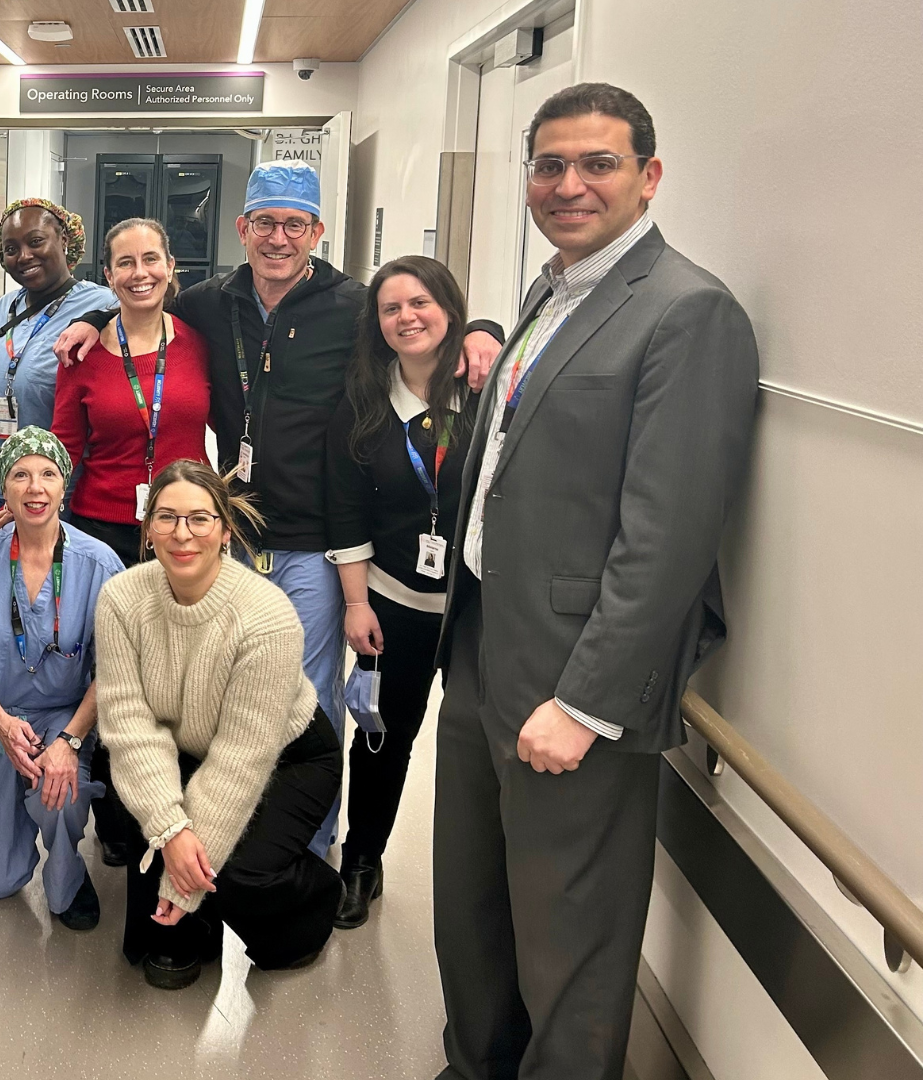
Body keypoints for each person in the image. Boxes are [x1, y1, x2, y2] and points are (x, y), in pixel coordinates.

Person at [432, 84, 758, 1080]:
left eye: (598, 164)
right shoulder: (552, 291)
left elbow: (666, 539)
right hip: (487, 638)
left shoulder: (687, 312)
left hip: (573, 675)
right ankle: (478, 1062)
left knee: (569, 930)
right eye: (549, 165)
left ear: (648, 177)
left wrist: (586, 701)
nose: (568, 185)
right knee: (472, 901)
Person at [55, 162, 505, 856]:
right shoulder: (212, 301)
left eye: (295, 224)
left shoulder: (354, 305)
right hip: (228, 539)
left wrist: (482, 328)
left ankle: (304, 844)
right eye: (264, 222)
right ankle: (215, 830)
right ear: (242, 229)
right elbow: (141, 303)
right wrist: (90, 322)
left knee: (309, 699)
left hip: (316, 545)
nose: (278, 237)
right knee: (215, 689)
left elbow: (421, 318)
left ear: (317, 231)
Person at [94, 459, 341, 990]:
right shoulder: (121, 599)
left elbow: (239, 759)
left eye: (199, 519)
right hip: (184, 743)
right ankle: (190, 926)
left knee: (231, 874)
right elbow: (130, 725)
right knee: (144, 822)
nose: (182, 534)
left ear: (224, 531)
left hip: (289, 755)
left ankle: (315, 896)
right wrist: (171, 829)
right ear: (148, 528)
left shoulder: (265, 615)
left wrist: (185, 879)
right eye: (166, 518)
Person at [324, 255, 498, 930]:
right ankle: (363, 860)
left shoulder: (488, 395)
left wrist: (489, 329)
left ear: (450, 309)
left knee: (477, 737)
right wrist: (357, 602)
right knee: (380, 739)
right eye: (392, 308)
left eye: (420, 302)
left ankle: (486, 874)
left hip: (477, 607)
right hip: (392, 603)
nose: (407, 318)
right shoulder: (364, 408)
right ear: (378, 325)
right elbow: (346, 513)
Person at [0, 427, 123, 930]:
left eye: (48, 474)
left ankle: (69, 875)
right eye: (20, 475)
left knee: (62, 794)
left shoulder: (99, 564)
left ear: (64, 487)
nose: (35, 488)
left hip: (61, 719)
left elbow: (112, 671)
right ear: (1, 489)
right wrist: (1, 722)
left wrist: (69, 741)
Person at [51, 218, 211, 566]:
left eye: (151, 259)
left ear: (170, 267)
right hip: (102, 530)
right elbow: (66, 444)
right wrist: (26, 501)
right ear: (109, 276)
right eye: (126, 262)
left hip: (187, 525)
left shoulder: (200, 343)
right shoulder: (80, 353)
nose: (140, 273)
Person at [0, 199, 115, 521]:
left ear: (65, 241)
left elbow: (155, 315)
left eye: (36, 241)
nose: (24, 256)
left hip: (58, 498)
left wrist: (100, 319)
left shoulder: (103, 304)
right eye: (11, 248)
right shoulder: (1, 310)